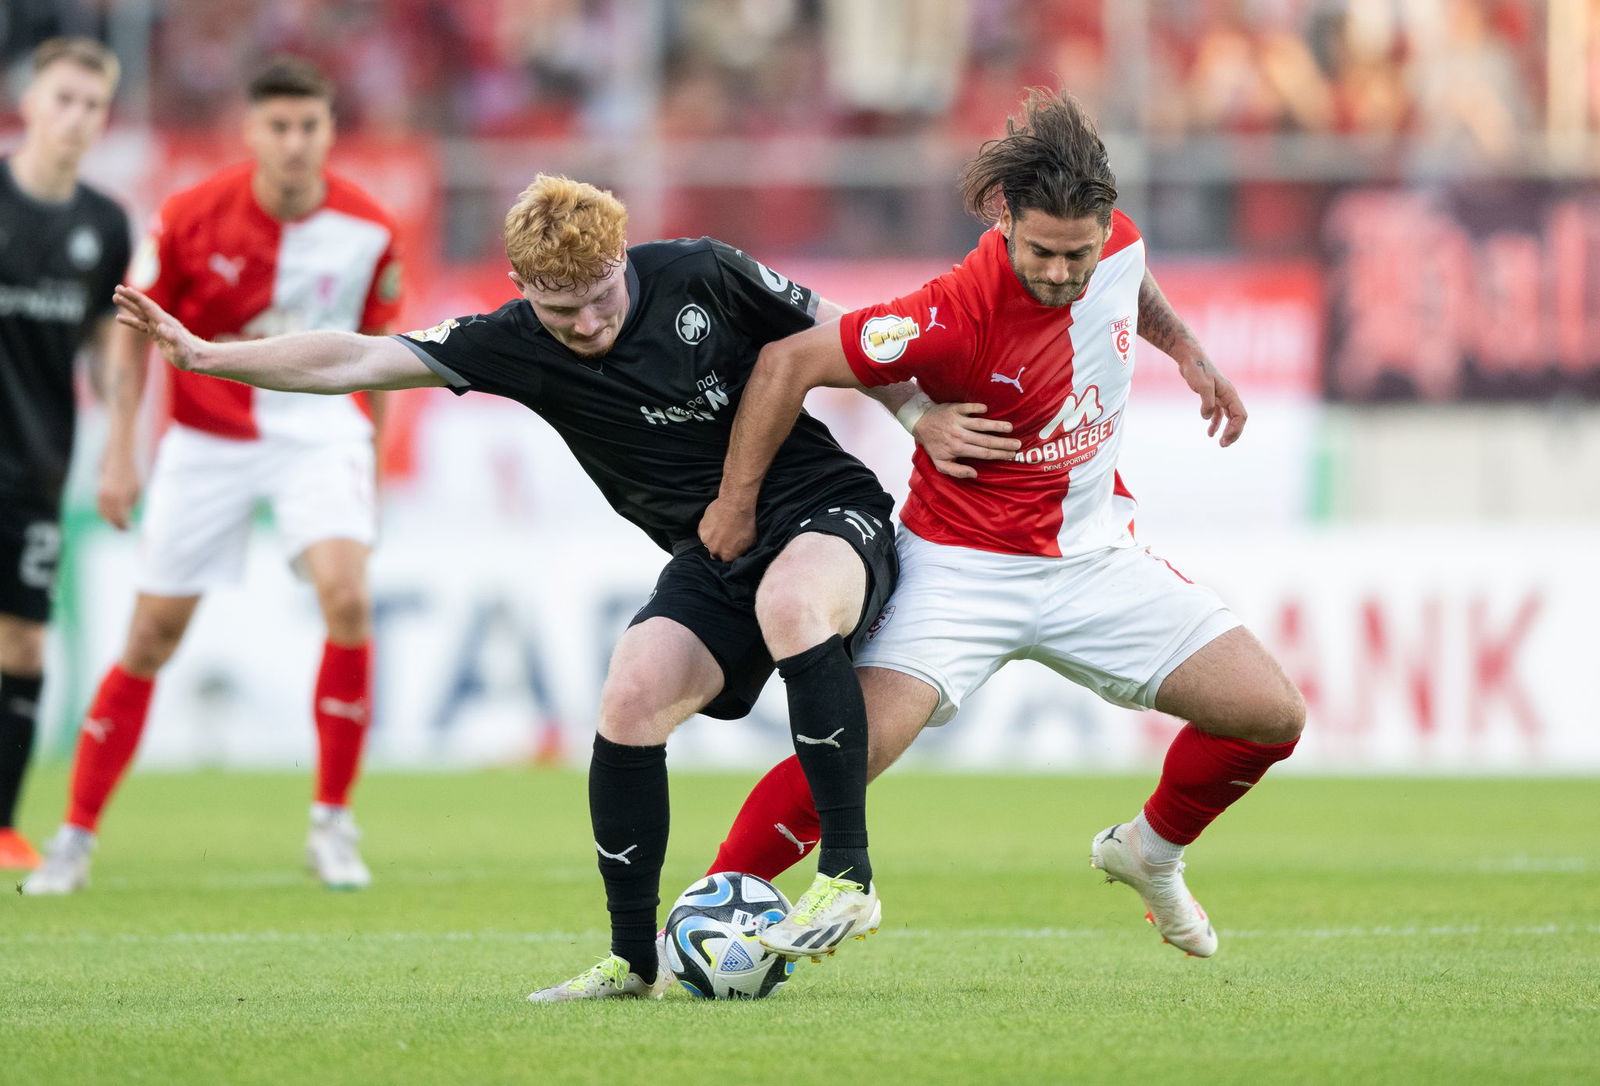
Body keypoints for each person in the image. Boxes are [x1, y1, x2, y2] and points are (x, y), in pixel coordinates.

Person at [105, 174, 1009, 999]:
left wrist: (918, 414)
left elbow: (839, 328)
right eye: (559, 309)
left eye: (599, 299)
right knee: (629, 698)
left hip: (823, 508)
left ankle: (847, 877)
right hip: (711, 550)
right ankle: (631, 960)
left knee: (791, 603)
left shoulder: (702, 273)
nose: (585, 325)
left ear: (622, 258)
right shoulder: (512, 342)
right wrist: (211, 358)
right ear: (523, 288)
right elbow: (357, 357)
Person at [699, 88, 1306, 959]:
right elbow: (788, 361)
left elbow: (1130, 286)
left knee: (1271, 715)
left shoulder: (1115, 243)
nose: (1063, 273)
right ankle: (715, 905)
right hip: (958, 568)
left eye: (1079, 255)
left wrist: (1191, 355)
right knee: (850, 752)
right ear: (1005, 218)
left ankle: (1150, 851)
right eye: (1043, 252)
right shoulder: (950, 311)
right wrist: (742, 499)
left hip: (1095, 559)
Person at [24, 57, 404, 895]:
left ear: (330, 131)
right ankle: (76, 837)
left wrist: (369, 461)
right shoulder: (192, 217)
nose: (295, 142)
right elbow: (130, 328)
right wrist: (121, 446)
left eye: (310, 126)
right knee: (152, 635)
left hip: (317, 429)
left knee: (347, 595)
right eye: (279, 126)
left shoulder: (371, 229)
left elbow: (379, 357)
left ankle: (332, 823)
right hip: (205, 437)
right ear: (252, 130)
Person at [0, 37, 130, 872]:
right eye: (64, 100)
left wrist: (122, 447)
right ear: (29, 102)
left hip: (37, 463)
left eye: (93, 106)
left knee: (21, 646)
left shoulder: (103, 224)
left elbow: (106, 350)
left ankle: (2, 827)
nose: (77, 119)